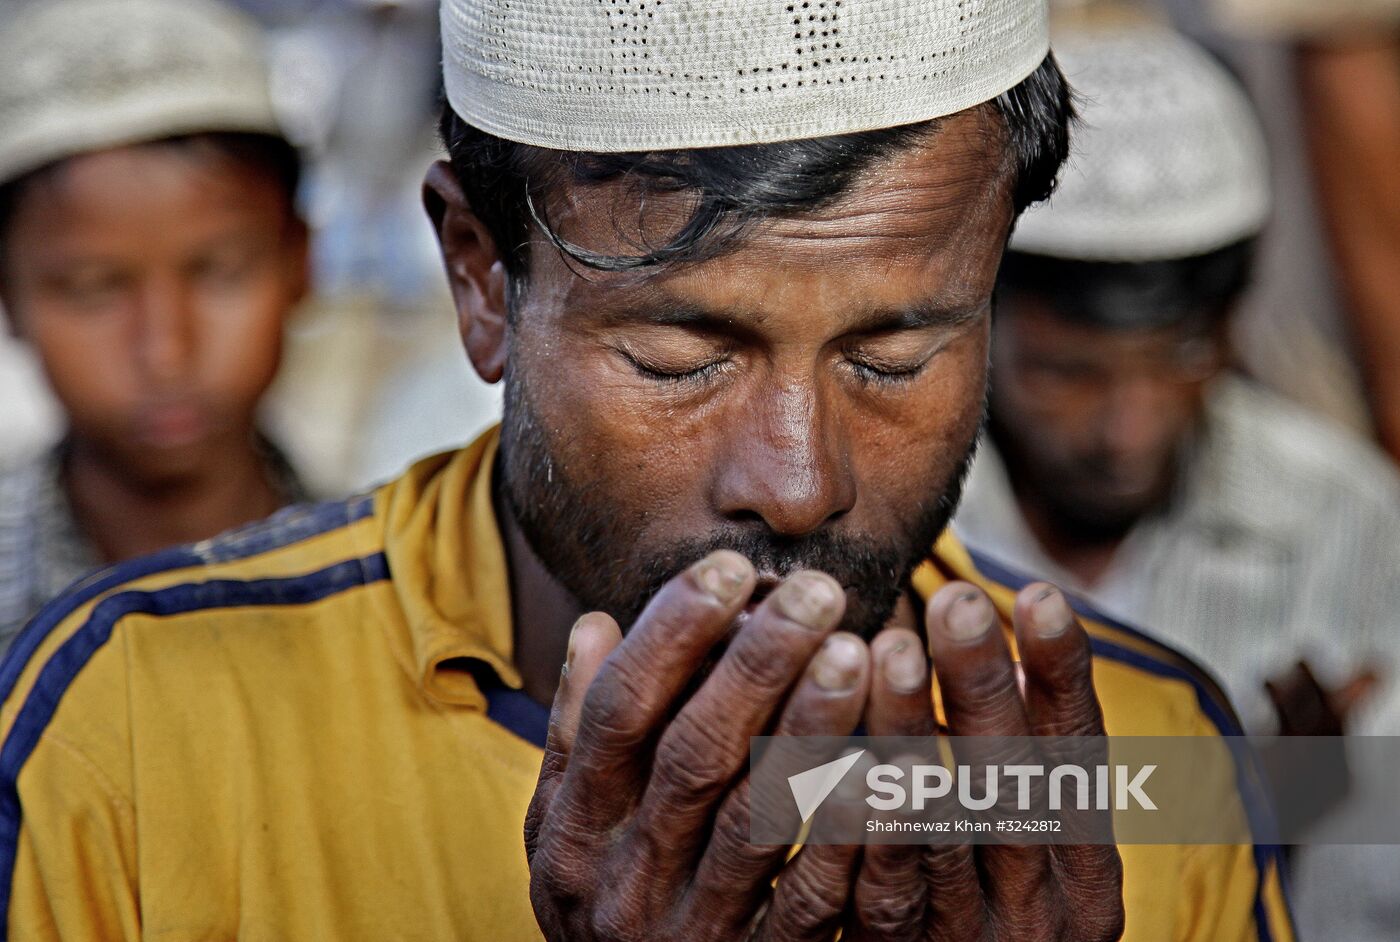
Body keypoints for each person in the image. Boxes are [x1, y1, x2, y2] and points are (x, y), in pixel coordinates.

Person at [0, 1, 1293, 939]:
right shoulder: (127, 729)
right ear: (480, 279)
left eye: (896, 352)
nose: (797, 481)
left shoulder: (1145, 757)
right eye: (683, 356)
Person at [952, 21, 1400, 938]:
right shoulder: (899, 523)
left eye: (1182, 359)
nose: (1129, 428)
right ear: (977, 325)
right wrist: (1227, 791)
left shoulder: (1341, 517)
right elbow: (811, 790)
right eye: (1068, 374)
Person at [0, 0, 311, 650]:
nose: (166, 351)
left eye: (221, 271)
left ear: (300, 262)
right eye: (91, 290)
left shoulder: (401, 590)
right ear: (10, 297)